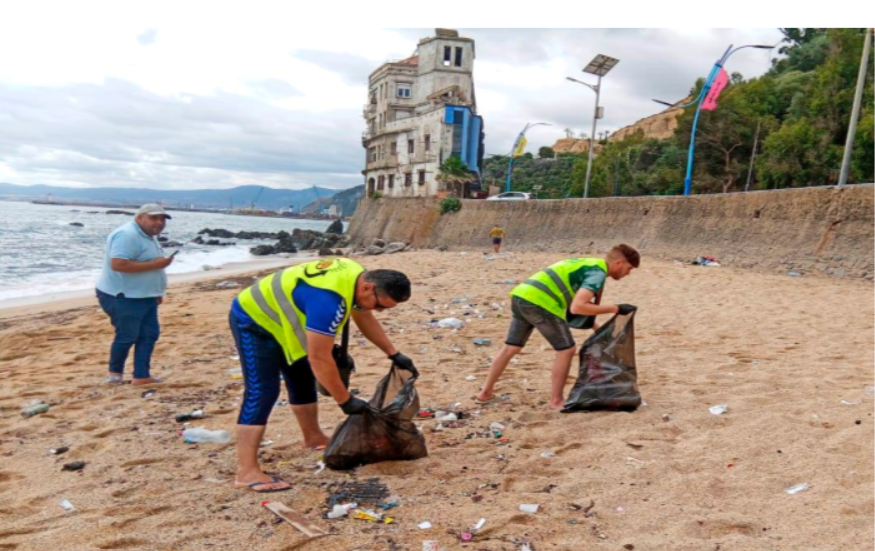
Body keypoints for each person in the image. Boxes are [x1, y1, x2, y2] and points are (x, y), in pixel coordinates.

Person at [229, 258, 416, 492]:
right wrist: (345, 400)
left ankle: (313, 437)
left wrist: (393, 353)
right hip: (254, 320)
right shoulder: (328, 300)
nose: (379, 311)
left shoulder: (357, 278)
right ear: (368, 287)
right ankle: (246, 471)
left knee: (302, 378)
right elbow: (320, 358)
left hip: (287, 321)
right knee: (263, 391)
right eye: (380, 305)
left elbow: (363, 315)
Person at [476, 244, 640, 410]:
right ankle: (556, 400)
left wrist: (596, 328)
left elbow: (571, 298)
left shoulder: (589, 264)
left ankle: (485, 392)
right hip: (540, 302)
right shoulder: (598, 274)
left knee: (510, 348)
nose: (628, 273)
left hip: (522, 295)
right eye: (629, 268)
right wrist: (615, 308)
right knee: (566, 350)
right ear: (619, 263)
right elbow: (578, 307)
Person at [95, 204, 175, 386]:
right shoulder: (127, 235)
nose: (159, 222)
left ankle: (141, 375)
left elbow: (146, 261)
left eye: (162, 219)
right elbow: (118, 264)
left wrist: (155, 291)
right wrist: (157, 265)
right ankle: (114, 374)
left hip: (144, 295)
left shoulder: (147, 235)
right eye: (154, 218)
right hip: (122, 296)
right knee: (127, 335)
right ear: (140, 218)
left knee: (149, 334)